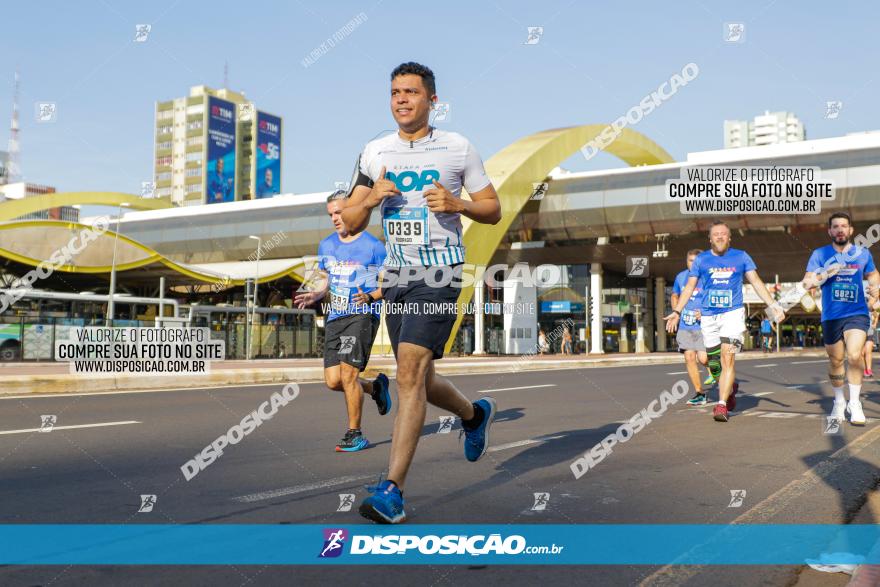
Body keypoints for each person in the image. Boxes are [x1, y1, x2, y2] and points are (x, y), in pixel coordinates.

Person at [341, 62, 502, 523]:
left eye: (411, 92)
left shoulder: (457, 147)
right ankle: (473, 415)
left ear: (432, 99)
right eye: (395, 92)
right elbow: (350, 221)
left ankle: (392, 491)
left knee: (409, 369)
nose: (402, 100)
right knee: (419, 377)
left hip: (440, 272)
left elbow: (493, 209)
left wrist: (459, 204)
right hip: (396, 275)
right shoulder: (374, 152)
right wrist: (371, 200)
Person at [294, 191, 392, 452]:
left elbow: (393, 283)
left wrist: (371, 296)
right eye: (331, 215)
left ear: (352, 210)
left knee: (349, 375)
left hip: (361, 315)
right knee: (333, 381)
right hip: (335, 317)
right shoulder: (326, 245)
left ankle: (355, 433)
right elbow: (327, 280)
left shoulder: (374, 246)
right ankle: (375, 388)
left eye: (338, 212)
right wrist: (317, 293)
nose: (335, 218)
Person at [665, 221, 785, 423]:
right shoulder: (701, 260)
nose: (720, 237)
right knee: (712, 362)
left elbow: (755, 281)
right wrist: (677, 311)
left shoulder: (741, 256)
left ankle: (721, 405)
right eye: (716, 234)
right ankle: (728, 390)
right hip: (708, 316)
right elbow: (689, 287)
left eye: (723, 234)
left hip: (732, 313)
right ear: (709, 239)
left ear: (729, 238)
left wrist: (773, 305)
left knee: (727, 357)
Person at [802, 212, 880, 425]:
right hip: (831, 316)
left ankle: (854, 403)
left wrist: (876, 290)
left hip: (857, 313)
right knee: (836, 360)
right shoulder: (820, 254)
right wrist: (825, 273)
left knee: (854, 355)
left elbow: (873, 274)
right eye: (835, 227)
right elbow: (807, 283)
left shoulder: (862, 254)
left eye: (843, 226)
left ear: (850, 230)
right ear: (830, 231)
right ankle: (839, 401)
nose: (839, 230)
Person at [671, 249, 712, 406]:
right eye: (690, 261)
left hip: (704, 325)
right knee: (689, 357)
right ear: (686, 261)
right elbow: (675, 295)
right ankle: (700, 393)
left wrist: (705, 312)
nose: (693, 264)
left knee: (703, 358)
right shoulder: (680, 277)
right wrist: (676, 313)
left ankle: (719, 372)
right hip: (685, 325)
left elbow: (716, 299)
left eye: (696, 261)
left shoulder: (708, 277)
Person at [864, 312, 877, 377]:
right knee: (861, 353)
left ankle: (869, 370)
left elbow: (877, 312)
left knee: (868, 351)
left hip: (869, 331)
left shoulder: (870, 303)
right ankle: (863, 369)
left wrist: (875, 322)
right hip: (859, 331)